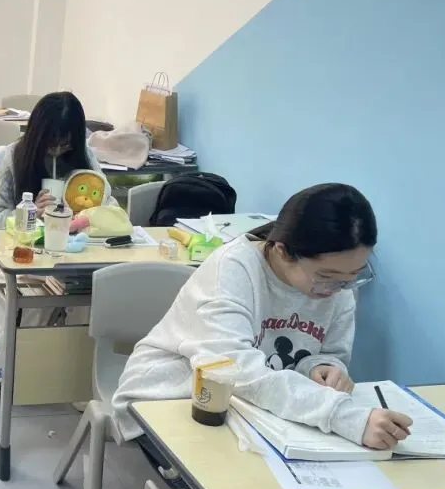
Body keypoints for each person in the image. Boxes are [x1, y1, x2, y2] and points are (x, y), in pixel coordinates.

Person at [113, 183, 413, 455]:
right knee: (240, 477)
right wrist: (343, 416)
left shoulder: (339, 286)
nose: (337, 289)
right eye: (326, 276)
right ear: (282, 252)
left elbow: (330, 353)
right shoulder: (234, 269)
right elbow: (235, 371)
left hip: (254, 406)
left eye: (352, 277)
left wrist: (321, 367)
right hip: (171, 395)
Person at [0, 91, 115, 230]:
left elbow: (110, 205)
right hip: (22, 241)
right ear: (36, 135)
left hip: (74, 240)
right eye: (50, 144)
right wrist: (30, 213)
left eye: (65, 145)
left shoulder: (85, 156)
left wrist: (87, 214)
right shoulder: (10, 157)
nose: (57, 150)